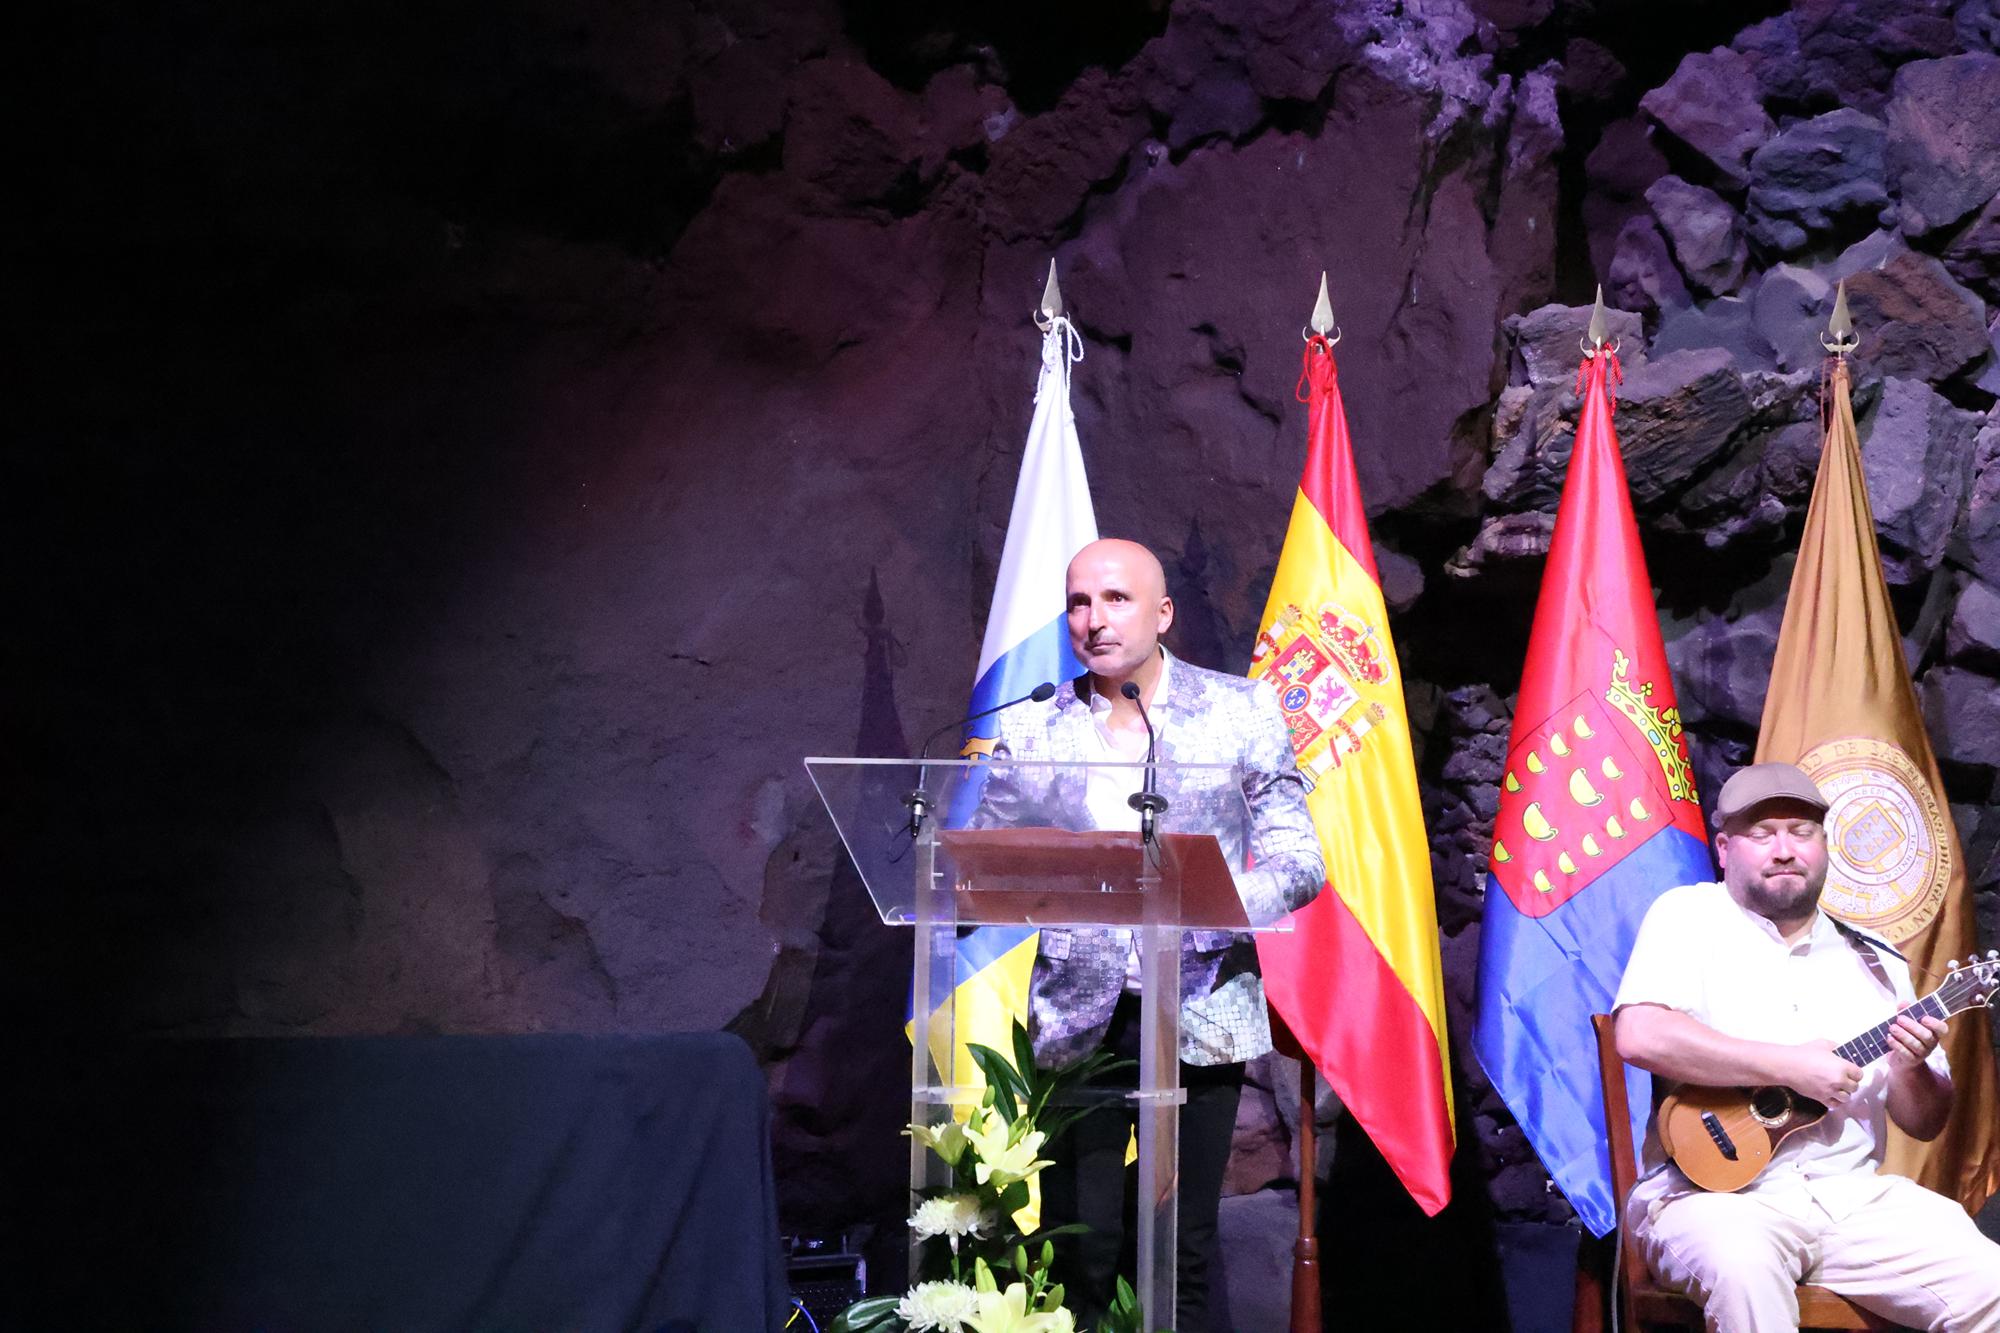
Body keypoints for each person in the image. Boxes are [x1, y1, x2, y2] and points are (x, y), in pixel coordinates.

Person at [975, 537, 1325, 1332]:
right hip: (1081, 1018)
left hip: (1200, 1005)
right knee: (1083, 1245)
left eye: (1115, 599)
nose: (1093, 619)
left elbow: (1301, 858)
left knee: (1181, 1245)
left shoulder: (1239, 709)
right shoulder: (1034, 722)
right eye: (1078, 602)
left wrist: (1205, 898)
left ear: (1163, 613)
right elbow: (994, 860)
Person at [1613, 761, 2000, 1333]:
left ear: (1824, 846)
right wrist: (1790, 1067)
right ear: (1724, 849)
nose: (1784, 850)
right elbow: (1639, 1034)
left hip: (1852, 1201)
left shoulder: (1877, 959)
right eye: (1761, 833)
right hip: (1713, 1200)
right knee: (1746, 1273)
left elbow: (1925, 1123)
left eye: (1801, 832)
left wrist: (1910, 1066)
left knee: (1991, 1282)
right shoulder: (1689, 917)